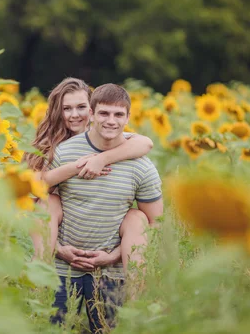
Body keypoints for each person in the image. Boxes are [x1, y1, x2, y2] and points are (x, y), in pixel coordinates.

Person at [47, 83, 163, 333]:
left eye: (119, 114)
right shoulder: (65, 153)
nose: (111, 121)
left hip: (111, 271)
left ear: (128, 118)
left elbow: (155, 223)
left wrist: (112, 256)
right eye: (104, 113)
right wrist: (57, 249)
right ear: (92, 113)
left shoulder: (141, 166)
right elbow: (38, 204)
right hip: (63, 268)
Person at [26, 78, 153, 272]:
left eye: (81, 107)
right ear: (57, 111)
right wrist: (76, 167)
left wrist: (102, 159)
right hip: (54, 233)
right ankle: (38, 281)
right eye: (67, 108)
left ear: (92, 110)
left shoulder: (107, 135)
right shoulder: (50, 146)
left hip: (101, 232)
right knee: (48, 201)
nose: (75, 115)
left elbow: (145, 143)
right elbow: (30, 193)